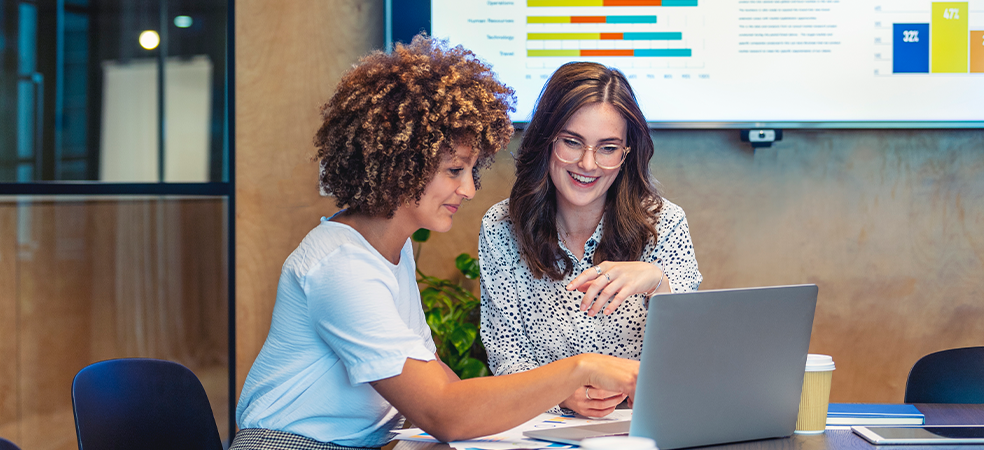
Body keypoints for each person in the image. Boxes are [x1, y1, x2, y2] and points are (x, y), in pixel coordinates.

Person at [233, 38, 640, 450]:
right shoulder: (341, 266)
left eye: (469, 170)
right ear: (400, 164)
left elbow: (442, 382)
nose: (468, 189)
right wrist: (580, 369)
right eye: (454, 170)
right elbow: (442, 411)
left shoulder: (391, 249)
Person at [479, 62, 702, 419]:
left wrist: (657, 282)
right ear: (546, 140)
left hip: (639, 428)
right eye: (571, 142)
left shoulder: (665, 223)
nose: (587, 164)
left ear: (627, 153)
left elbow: (690, 355)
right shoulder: (501, 227)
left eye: (608, 148)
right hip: (540, 429)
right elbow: (506, 352)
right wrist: (562, 395)